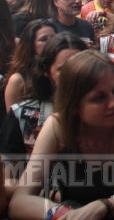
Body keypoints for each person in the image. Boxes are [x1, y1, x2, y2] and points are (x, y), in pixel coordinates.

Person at [8, 50, 114, 219]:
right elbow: (20, 201)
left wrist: (107, 205)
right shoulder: (57, 126)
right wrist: (65, 215)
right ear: (74, 104)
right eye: (99, 98)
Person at [1, 34, 87, 189]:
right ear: (47, 72)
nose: (73, 75)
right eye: (63, 69)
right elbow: (7, 179)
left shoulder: (108, 110)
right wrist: (47, 195)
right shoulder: (22, 115)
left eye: (80, 67)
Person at [4, 19, 56, 110]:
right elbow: (12, 116)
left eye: (54, 38)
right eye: (43, 39)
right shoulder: (17, 80)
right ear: (31, 45)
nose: (51, 42)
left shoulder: (63, 71)